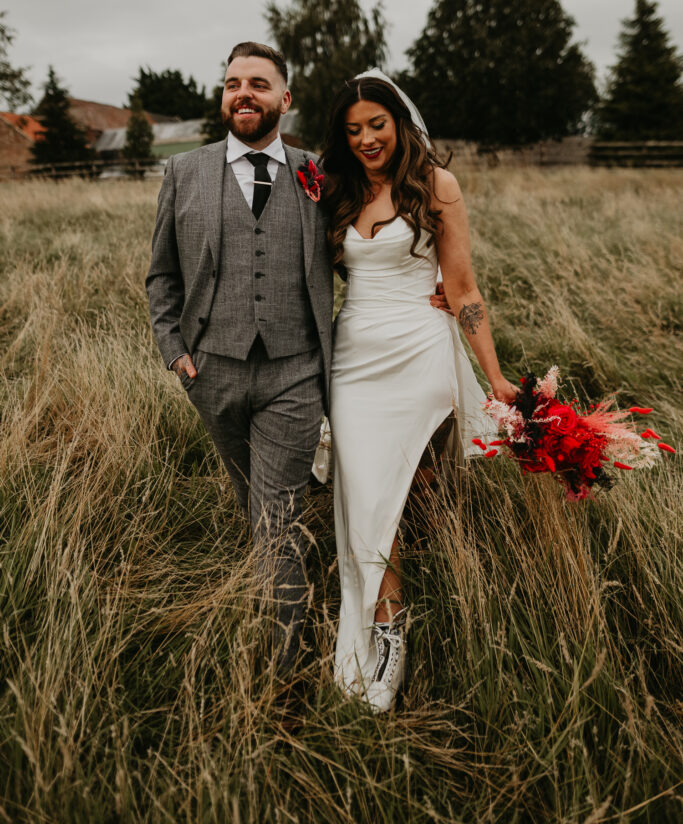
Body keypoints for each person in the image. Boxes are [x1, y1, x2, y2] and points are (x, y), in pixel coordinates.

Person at [321, 71, 518, 712]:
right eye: (353, 130)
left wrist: (495, 378)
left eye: (376, 124)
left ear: (400, 121)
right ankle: (386, 621)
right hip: (354, 359)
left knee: (408, 488)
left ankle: (406, 626)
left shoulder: (437, 185)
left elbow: (462, 288)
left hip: (419, 348)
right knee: (366, 492)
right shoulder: (337, 190)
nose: (366, 139)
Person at [146, 41, 334, 676]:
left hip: (296, 372)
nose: (243, 93)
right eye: (232, 84)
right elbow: (161, 277)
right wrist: (175, 352)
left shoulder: (321, 173)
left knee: (277, 517)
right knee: (251, 503)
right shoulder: (184, 173)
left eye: (258, 83)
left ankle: (282, 671)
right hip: (213, 372)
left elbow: (369, 245)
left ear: (286, 98)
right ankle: (273, 589)